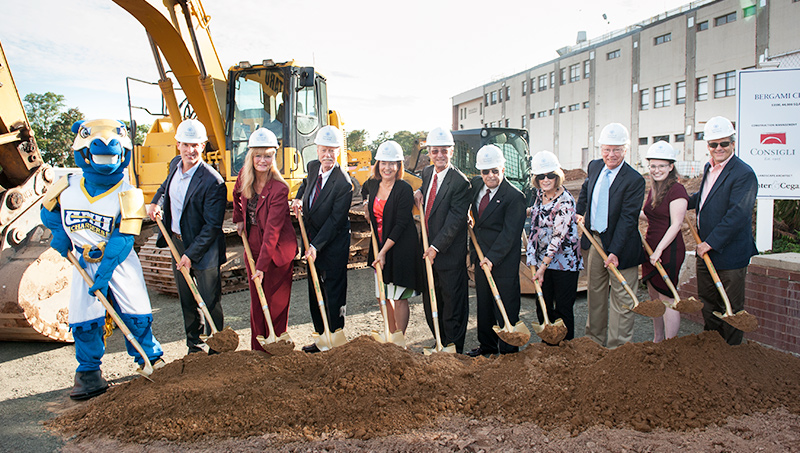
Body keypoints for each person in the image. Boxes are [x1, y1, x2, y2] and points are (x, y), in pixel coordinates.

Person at [40, 119, 163, 399]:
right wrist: (59, 234)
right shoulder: (67, 185)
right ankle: (88, 373)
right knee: (84, 317)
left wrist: (106, 272)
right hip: (83, 262)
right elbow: (48, 213)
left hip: (118, 262)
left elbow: (124, 237)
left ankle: (151, 360)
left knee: (136, 311)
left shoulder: (129, 192)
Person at [147, 118, 227, 355]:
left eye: (196, 145)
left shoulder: (213, 181)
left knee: (209, 299)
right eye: (186, 145)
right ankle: (194, 344)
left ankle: (218, 346)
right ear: (178, 145)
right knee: (187, 298)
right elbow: (163, 189)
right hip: (178, 242)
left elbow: (212, 226)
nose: (190, 150)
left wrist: (191, 255)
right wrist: (155, 203)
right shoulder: (174, 165)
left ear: (203, 146)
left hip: (204, 248)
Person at [687, 116, 758, 346]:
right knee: (708, 303)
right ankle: (713, 349)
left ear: (733, 143)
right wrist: (680, 201)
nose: (718, 148)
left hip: (729, 252)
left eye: (724, 143)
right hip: (706, 250)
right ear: (707, 145)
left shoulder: (743, 174)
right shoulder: (710, 168)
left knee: (731, 308)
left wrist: (710, 242)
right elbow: (705, 199)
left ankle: (731, 353)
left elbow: (738, 214)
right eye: (713, 144)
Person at [576, 123, 645, 349]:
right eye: (606, 149)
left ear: (626, 150)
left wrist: (615, 251)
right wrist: (579, 211)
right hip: (594, 239)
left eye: (617, 150)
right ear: (600, 149)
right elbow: (586, 190)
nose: (611, 155)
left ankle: (618, 348)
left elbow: (628, 219)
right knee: (595, 294)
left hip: (621, 246)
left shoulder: (634, 180)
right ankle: (593, 342)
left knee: (622, 298)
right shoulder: (595, 166)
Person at [232, 128, 297, 352]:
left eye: (267, 155)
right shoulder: (244, 176)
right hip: (254, 247)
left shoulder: (280, 189)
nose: (262, 160)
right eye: (258, 155)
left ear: (273, 158)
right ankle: (258, 349)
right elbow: (235, 194)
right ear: (251, 156)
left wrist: (261, 267)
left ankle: (277, 344)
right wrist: (238, 217)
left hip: (277, 252)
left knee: (275, 302)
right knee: (257, 303)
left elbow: (273, 230)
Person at [291, 125, 353, 353]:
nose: (327, 155)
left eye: (332, 151)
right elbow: (306, 184)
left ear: (338, 151)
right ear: (317, 149)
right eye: (323, 150)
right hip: (312, 241)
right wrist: (298, 198)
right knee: (314, 289)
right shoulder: (313, 166)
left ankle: (334, 336)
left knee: (333, 292)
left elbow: (335, 221)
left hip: (332, 244)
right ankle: (320, 337)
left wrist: (316, 246)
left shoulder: (344, 183)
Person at [413, 127, 471, 354]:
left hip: (447, 254)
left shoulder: (460, 182)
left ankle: (453, 348)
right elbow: (427, 195)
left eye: (444, 151)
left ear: (452, 152)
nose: (439, 155)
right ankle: (439, 341)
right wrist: (418, 192)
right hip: (427, 251)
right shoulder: (427, 173)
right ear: (429, 152)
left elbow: (455, 221)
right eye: (435, 151)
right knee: (431, 301)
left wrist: (436, 247)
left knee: (452, 303)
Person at [467, 145, 526, 356]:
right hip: (480, 255)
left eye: (495, 170)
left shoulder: (514, 197)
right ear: (479, 172)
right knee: (484, 302)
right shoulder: (475, 185)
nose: (490, 175)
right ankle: (488, 346)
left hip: (502, 259)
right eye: (485, 171)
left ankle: (509, 350)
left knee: (506, 302)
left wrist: (492, 258)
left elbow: (510, 234)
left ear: (503, 168)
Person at [362, 140, 422, 334]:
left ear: (398, 166)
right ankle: (390, 335)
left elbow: (401, 223)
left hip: (400, 247)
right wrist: (366, 204)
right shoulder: (372, 184)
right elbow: (365, 192)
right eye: (383, 163)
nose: (387, 168)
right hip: (378, 243)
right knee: (383, 294)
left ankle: (399, 339)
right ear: (378, 164)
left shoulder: (403, 189)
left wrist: (383, 252)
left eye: (392, 163)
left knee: (398, 295)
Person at [526, 150, 584, 344]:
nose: (546, 179)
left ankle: (565, 347)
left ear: (557, 175)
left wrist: (542, 268)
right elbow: (536, 219)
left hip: (563, 263)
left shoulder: (566, 201)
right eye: (541, 176)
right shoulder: (539, 194)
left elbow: (557, 238)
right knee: (542, 305)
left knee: (563, 309)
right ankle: (548, 344)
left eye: (550, 175)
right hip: (543, 261)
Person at [639, 141, 689, 343]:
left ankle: (671, 343)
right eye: (653, 165)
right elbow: (652, 216)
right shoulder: (654, 188)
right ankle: (657, 340)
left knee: (667, 297)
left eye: (661, 165)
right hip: (651, 247)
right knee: (654, 297)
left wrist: (658, 250)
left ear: (671, 166)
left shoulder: (677, 190)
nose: (656, 170)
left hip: (668, 249)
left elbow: (676, 224)